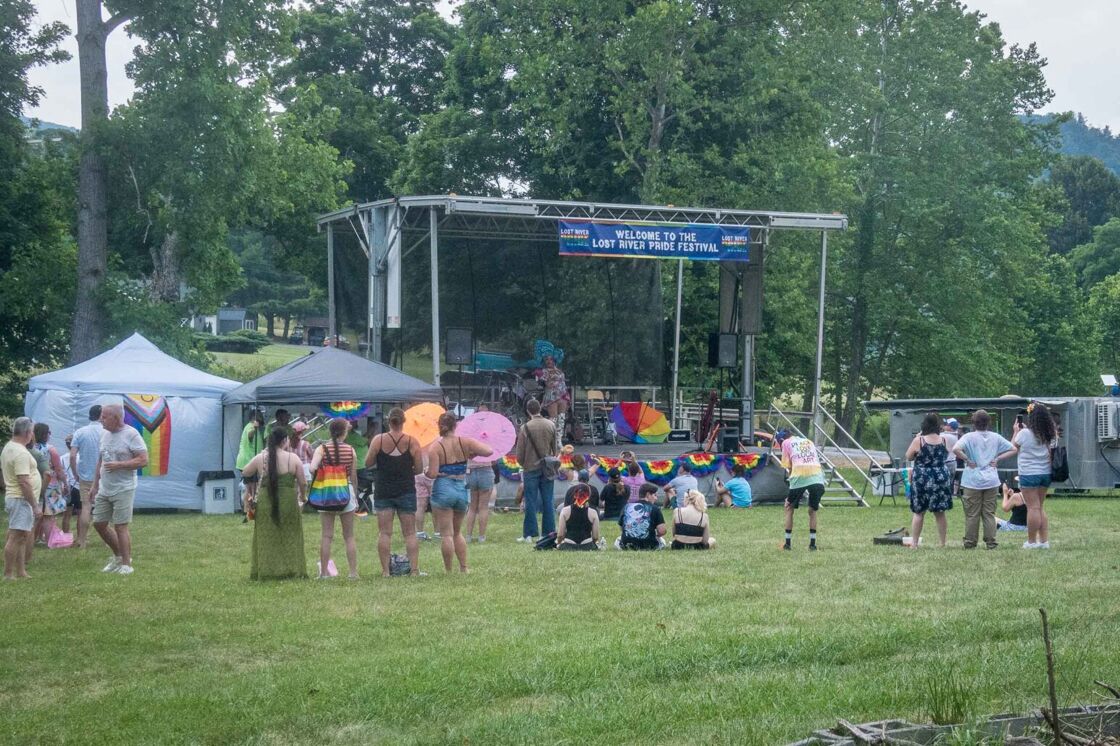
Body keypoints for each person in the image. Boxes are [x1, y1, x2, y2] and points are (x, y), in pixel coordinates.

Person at [426, 413, 492, 573]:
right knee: (457, 532)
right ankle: (464, 567)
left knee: (446, 534)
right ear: (455, 425)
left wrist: (426, 471)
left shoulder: (435, 447)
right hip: (461, 487)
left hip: (443, 488)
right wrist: (472, 454)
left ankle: (448, 570)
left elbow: (433, 474)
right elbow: (488, 451)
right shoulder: (465, 442)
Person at [89, 403, 149, 575]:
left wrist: (120, 465)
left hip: (124, 487)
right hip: (104, 487)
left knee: (120, 526)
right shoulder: (104, 434)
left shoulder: (131, 434)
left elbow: (143, 460)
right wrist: (94, 485)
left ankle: (126, 564)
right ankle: (118, 557)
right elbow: (100, 461)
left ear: (116, 418)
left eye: (105, 417)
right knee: (99, 524)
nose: (101, 420)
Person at [242, 428, 308, 580]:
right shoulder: (293, 458)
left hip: (266, 501)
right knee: (291, 535)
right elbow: (303, 482)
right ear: (284, 440)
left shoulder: (262, 458)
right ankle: (292, 569)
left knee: (266, 536)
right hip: (288, 501)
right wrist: (302, 498)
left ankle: (266, 570)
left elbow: (245, 471)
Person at [365, 407, 423, 577]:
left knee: (384, 533)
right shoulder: (412, 442)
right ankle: (414, 570)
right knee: (410, 533)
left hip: (383, 490)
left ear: (388, 421)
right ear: (404, 422)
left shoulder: (378, 440)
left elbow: (368, 462)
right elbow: (419, 468)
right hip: (406, 489)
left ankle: (385, 571)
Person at [952, 409, 1014, 550]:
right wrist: (997, 459)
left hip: (972, 480)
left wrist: (967, 459)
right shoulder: (995, 437)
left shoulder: (968, 437)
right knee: (989, 513)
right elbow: (1013, 449)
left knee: (972, 514)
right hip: (991, 480)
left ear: (974, 423)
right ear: (988, 423)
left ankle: (970, 542)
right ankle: (991, 542)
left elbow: (956, 449)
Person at [308, 418, 360, 579]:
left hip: (327, 493)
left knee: (326, 535)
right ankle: (352, 572)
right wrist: (356, 496)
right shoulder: (350, 450)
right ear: (344, 432)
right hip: (346, 491)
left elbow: (312, 468)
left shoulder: (322, 449)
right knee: (349, 536)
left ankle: (324, 573)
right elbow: (353, 475)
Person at [1011, 402, 1058, 549]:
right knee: (1039, 506)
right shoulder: (1051, 433)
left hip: (1029, 473)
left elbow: (1012, 447)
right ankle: (1044, 541)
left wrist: (1015, 432)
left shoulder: (1024, 434)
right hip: (1046, 473)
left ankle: (1031, 542)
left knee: (1032, 508)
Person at [905, 413, 953, 549]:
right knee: (940, 512)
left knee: (919, 511)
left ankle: (914, 544)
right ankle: (942, 542)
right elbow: (946, 455)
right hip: (940, 477)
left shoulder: (919, 440)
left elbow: (908, 456)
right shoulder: (943, 440)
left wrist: (916, 438)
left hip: (922, 478)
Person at [515, 398, 557, 543]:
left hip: (530, 468)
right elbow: (555, 449)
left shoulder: (525, 428)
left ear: (528, 411)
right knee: (548, 500)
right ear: (540, 408)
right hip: (547, 467)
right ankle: (548, 533)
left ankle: (529, 534)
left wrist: (524, 463)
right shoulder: (551, 425)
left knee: (530, 501)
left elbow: (519, 453)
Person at [4, 418, 42, 579]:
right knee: (15, 536)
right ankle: (8, 573)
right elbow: (24, 481)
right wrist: (34, 505)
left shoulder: (10, 447)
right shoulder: (20, 453)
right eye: (32, 431)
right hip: (21, 499)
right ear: (27, 433)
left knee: (22, 536)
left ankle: (20, 571)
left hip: (16, 498)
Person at [778, 433, 825, 550]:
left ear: (782, 439)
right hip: (817, 476)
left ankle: (787, 544)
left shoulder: (785, 442)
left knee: (789, 508)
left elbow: (788, 467)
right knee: (812, 510)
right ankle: (812, 545)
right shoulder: (808, 441)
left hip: (799, 474)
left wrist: (791, 488)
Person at [69, 405, 103, 548]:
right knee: (105, 508)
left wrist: (75, 473)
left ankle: (82, 541)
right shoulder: (106, 432)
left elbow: (72, 455)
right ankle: (107, 540)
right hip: (103, 476)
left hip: (85, 476)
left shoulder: (80, 432)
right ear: (101, 416)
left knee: (86, 508)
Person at [31, 423, 68, 546]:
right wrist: (65, 483)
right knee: (49, 515)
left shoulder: (30, 449)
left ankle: (34, 538)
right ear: (46, 434)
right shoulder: (51, 449)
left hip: (35, 484)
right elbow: (58, 470)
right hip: (51, 485)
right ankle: (49, 541)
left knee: (36, 515)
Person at [616, 482, 666, 550]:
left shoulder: (627, 507)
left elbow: (622, 528)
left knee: (617, 540)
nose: (656, 498)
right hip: (649, 546)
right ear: (648, 494)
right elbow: (662, 531)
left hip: (627, 545)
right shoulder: (655, 509)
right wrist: (655, 535)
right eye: (655, 495)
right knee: (662, 541)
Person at [556, 484, 600, 550]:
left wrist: (558, 543)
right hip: (587, 545)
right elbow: (595, 537)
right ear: (588, 496)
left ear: (574, 495)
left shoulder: (565, 511)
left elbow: (560, 535)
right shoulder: (593, 513)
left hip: (569, 544)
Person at [537, 354, 569, 447]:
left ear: (554, 360)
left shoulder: (560, 371)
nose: (549, 361)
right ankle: (550, 439)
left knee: (561, 418)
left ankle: (559, 440)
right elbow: (546, 383)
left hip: (562, 395)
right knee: (553, 418)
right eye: (547, 359)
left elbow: (563, 382)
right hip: (552, 395)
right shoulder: (544, 371)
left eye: (550, 359)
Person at [464, 457, 496, 545]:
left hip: (470, 471)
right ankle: (481, 537)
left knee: (472, 507)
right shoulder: (488, 443)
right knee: (483, 507)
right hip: (485, 470)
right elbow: (494, 460)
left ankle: (468, 536)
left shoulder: (469, 443)